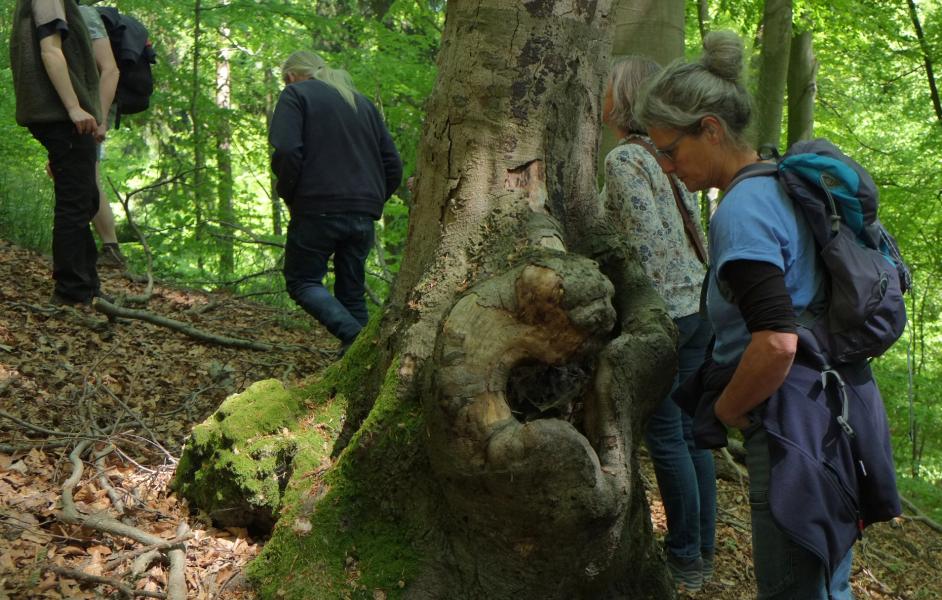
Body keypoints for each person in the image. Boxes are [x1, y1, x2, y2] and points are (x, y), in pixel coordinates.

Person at [637, 30, 900, 599]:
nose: (663, 165)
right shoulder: (777, 183)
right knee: (827, 583)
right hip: (835, 409)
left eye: (669, 149)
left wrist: (730, 412)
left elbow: (776, 341)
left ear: (709, 128)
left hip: (791, 427)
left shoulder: (744, 211)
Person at [600, 57, 715, 592]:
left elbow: (645, 244)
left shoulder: (625, 158)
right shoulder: (664, 154)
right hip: (699, 306)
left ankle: (686, 557)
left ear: (621, 98)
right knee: (691, 436)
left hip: (666, 312)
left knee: (668, 437)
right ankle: (703, 551)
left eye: (606, 88)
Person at [269, 51, 402, 353]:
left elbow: (288, 151)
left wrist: (290, 194)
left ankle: (359, 341)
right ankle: (365, 365)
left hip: (317, 209)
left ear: (290, 77)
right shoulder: (361, 103)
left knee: (302, 281)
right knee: (352, 295)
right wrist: (370, 200)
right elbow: (393, 164)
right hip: (362, 214)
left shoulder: (295, 95)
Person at [11, 0, 106, 305]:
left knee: (85, 195)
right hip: (60, 115)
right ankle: (72, 292)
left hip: (61, 116)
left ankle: (88, 285)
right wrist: (73, 108)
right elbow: (50, 50)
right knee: (75, 202)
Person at [78, 3, 126, 269]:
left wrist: (101, 119)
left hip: (92, 110)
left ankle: (112, 250)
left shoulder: (84, 14)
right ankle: (109, 248)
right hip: (83, 109)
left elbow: (111, 70)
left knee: (90, 176)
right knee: (81, 175)